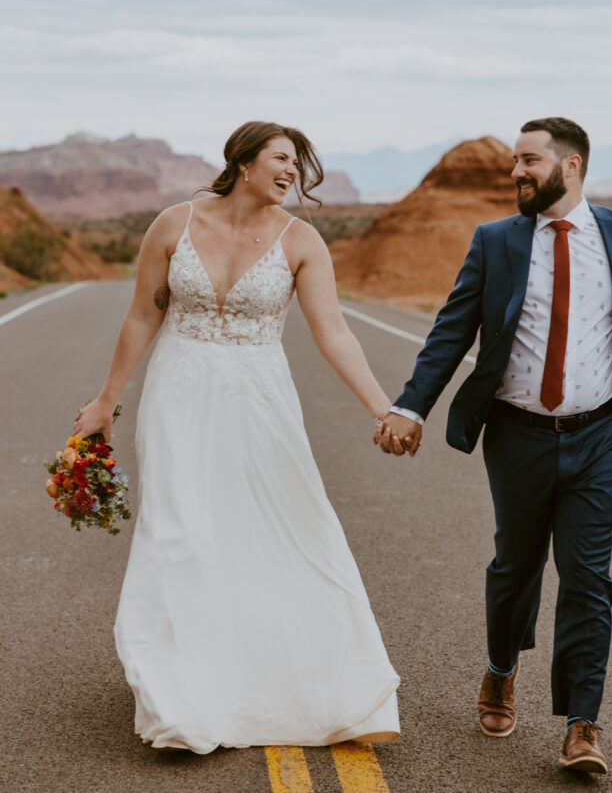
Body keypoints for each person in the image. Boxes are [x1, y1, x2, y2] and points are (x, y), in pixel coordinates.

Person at [74, 121, 399, 753]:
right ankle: (182, 691)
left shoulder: (303, 241)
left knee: (284, 525)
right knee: (181, 530)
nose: (293, 173)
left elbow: (334, 334)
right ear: (243, 162)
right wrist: (104, 403)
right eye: (281, 159)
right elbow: (145, 313)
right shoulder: (173, 223)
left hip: (260, 400)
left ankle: (299, 671)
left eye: (299, 165)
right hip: (178, 392)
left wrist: (381, 408)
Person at [374, 117, 612, 775]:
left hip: (601, 434)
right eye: (514, 161)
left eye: (528, 160)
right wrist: (409, 405)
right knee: (516, 567)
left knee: (588, 579)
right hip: (517, 435)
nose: (515, 172)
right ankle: (501, 669)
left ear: (569, 167)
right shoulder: (496, 242)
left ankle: (580, 724)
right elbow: (451, 332)